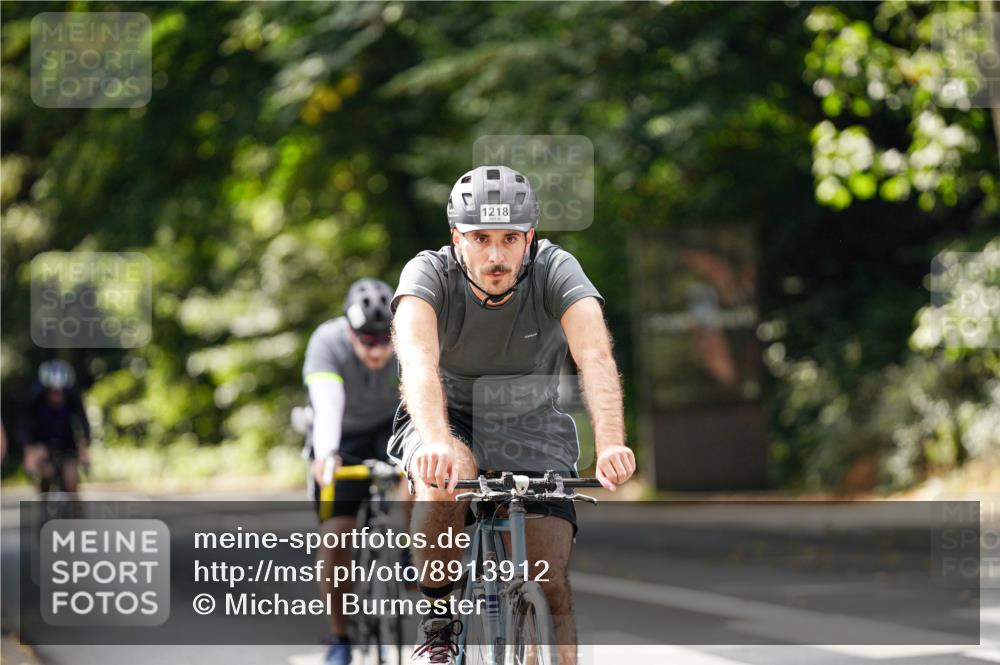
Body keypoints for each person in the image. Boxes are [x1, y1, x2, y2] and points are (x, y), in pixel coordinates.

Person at [389, 165, 636, 665]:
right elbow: (417, 360)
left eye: (509, 239)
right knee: (446, 475)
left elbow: (595, 355)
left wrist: (610, 442)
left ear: (531, 237)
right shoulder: (427, 274)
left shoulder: (557, 269)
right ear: (457, 238)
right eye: (481, 239)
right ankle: (439, 614)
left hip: (532, 423)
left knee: (551, 588)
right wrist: (435, 440)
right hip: (448, 415)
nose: (496, 256)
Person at [303, 278, 402, 665]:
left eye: (384, 341)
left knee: (423, 470)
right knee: (336, 536)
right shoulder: (326, 342)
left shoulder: (409, 333)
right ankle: (339, 635)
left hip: (390, 427)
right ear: (349, 331)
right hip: (341, 434)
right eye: (367, 341)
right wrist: (327, 453)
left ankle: (414, 550)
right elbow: (327, 403)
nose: (377, 351)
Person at [24, 359, 90, 495]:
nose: (57, 395)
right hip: (42, 444)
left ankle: (75, 511)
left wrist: (84, 447)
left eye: (60, 392)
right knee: (46, 475)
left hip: (67, 444)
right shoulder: (36, 400)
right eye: (53, 391)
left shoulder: (73, 398)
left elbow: (83, 422)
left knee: (71, 483)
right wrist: (29, 451)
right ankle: (44, 506)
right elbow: (24, 426)